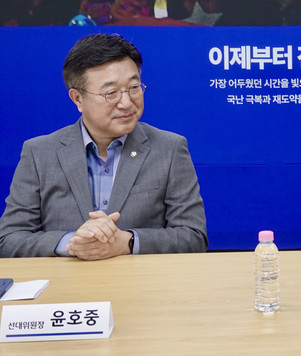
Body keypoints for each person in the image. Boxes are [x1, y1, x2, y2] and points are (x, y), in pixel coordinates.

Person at [0, 33, 208, 259]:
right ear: (77, 99)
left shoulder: (170, 148)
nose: (126, 103)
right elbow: (9, 239)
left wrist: (127, 241)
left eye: (134, 87)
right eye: (111, 93)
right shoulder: (39, 153)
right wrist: (73, 242)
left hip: (141, 279)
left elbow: (193, 236)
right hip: (66, 279)